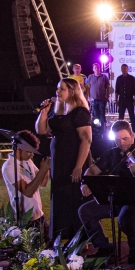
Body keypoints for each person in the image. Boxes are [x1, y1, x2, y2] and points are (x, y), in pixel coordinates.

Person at [78, 120, 135, 263]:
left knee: (124, 217)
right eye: (117, 140)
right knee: (85, 211)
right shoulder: (112, 154)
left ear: (132, 136)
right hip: (115, 199)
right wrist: (85, 182)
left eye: (125, 139)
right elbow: (92, 170)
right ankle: (104, 246)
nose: (121, 143)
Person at [36, 77, 93, 244]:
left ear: (72, 91)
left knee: (74, 198)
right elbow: (41, 130)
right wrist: (44, 112)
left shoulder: (80, 112)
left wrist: (78, 167)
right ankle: (63, 235)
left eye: (62, 89)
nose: (58, 91)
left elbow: (86, 140)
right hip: (59, 162)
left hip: (74, 160)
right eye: (57, 88)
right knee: (61, 198)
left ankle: (81, 241)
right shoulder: (59, 112)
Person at [2, 129, 51, 227]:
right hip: (26, 219)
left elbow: (42, 183)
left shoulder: (27, 161)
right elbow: (28, 192)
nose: (32, 155)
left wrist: (46, 169)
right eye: (29, 152)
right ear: (19, 149)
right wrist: (42, 170)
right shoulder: (9, 166)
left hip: (38, 214)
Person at [115, 63, 135, 127]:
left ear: (127, 69)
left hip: (129, 99)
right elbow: (117, 90)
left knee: (132, 116)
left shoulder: (132, 78)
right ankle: (120, 129)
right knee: (121, 116)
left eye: (125, 68)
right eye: (122, 68)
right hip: (121, 100)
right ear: (121, 69)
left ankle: (134, 130)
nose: (124, 70)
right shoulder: (119, 78)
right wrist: (116, 100)